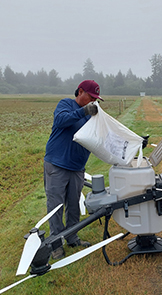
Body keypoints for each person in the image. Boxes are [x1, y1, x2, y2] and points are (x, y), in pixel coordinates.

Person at [44, 80, 103, 259]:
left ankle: (72, 237)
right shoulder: (65, 105)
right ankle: (55, 244)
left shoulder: (90, 115)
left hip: (77, 167)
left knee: (74, 203)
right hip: (57, 164)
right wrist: (83, 111)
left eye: (95, 99)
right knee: (56, 205)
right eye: (91, 97)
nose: (93, 101)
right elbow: (61, 121)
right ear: (80, 92)